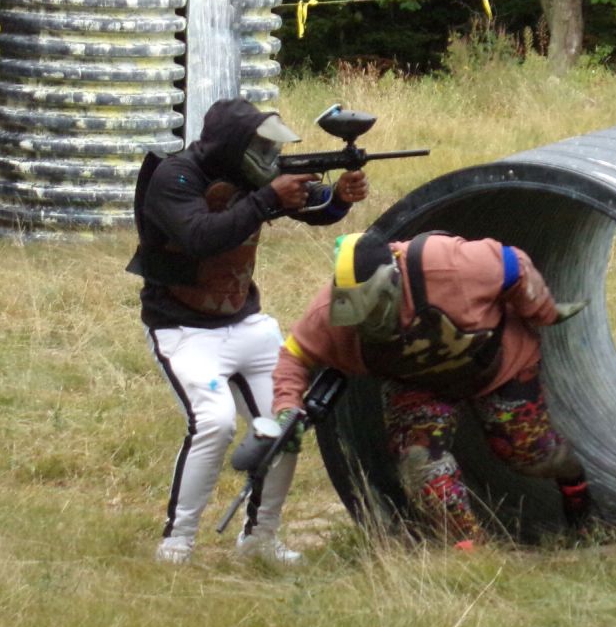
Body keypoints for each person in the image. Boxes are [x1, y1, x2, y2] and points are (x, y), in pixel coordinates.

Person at [127, 98, 368, 564]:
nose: (269, 157)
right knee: (213, 424)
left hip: (246, 322)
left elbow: (311, 206)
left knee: (286, 423)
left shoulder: (254, 178)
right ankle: (177, 541)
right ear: (234, 146)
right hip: (183, 329)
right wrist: (268, 198)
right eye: (260, 148)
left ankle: (260, 539)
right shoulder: (174, 177)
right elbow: (200, 236)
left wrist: (338, 198)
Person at [270, 230, 590, 545]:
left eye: (375, 311)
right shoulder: (328, 314)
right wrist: (287, 409)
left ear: (392, 282)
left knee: (530, 454)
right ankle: (472, 552)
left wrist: (542, 312)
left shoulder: (448, 265)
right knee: (420, 464)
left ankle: (575, 487)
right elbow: (294, 355)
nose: (367, 324)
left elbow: (513, 264)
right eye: (359, 317)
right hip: (418, 387)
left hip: (499, 365)